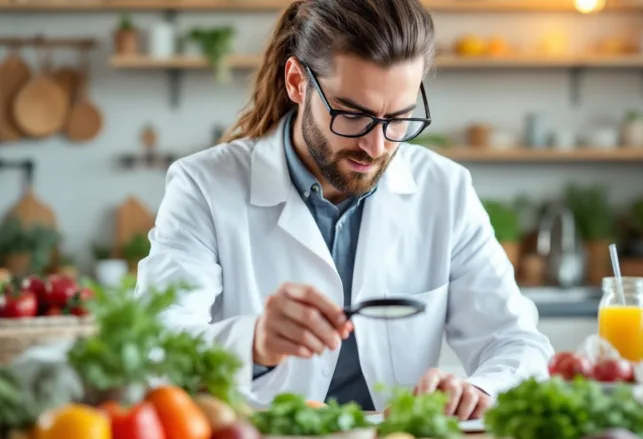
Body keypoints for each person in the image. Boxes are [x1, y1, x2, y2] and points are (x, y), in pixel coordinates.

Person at [134, 0, 554, 419]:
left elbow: (517, 342)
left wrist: (480, 389)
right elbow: (153, 348)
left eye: (399, 118)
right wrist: (255, 342)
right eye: (353, 115)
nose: (377, 147)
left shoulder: (445, 189)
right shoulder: (203, 186)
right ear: (298, 82)